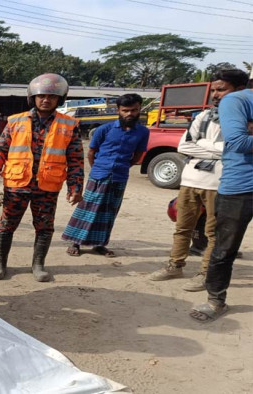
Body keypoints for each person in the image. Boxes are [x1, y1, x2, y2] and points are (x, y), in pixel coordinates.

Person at [149, 70, 249, 291]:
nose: (215, 94)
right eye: (213, 89)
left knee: (213, 233)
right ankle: (175, 265)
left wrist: (202, 147)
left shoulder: (244, 118)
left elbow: (238, 145)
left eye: (221, 89)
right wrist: (220, 150)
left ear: (240, 90)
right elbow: (184, 146)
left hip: (220, 183)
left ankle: (205, 274)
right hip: (191, 180)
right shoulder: (203, 116)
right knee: (183, 227)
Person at [0, 73, 84, 282]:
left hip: (48, 186)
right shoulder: (15, 122)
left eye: (51, 96)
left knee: (45, 227)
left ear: (59, 99)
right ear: (33, 97)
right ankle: (0, 262)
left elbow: (75, 159)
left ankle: (38, 264)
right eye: (41, 96)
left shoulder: (70, 125)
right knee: (6, 225)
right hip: (16, 184)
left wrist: (75, 188)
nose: (46, 100)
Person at [189, 79, 253, 322]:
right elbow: (238, 142)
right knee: (225, 248)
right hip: (241, 187)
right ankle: (216, 300)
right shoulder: (237, 100)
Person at [62, 94, 149, 258]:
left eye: (134, 110)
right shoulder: (104, 130)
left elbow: (137, 156)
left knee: (109, 212)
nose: (129, 114)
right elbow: (91, 153)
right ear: (118, 111)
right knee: (88, 209)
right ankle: (75, 243)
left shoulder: (143, 132)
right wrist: (98, 169)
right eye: (125, 110)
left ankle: (100, 244)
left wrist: (123, 167)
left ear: (139, 110)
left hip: (120, 177)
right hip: (99, 175)